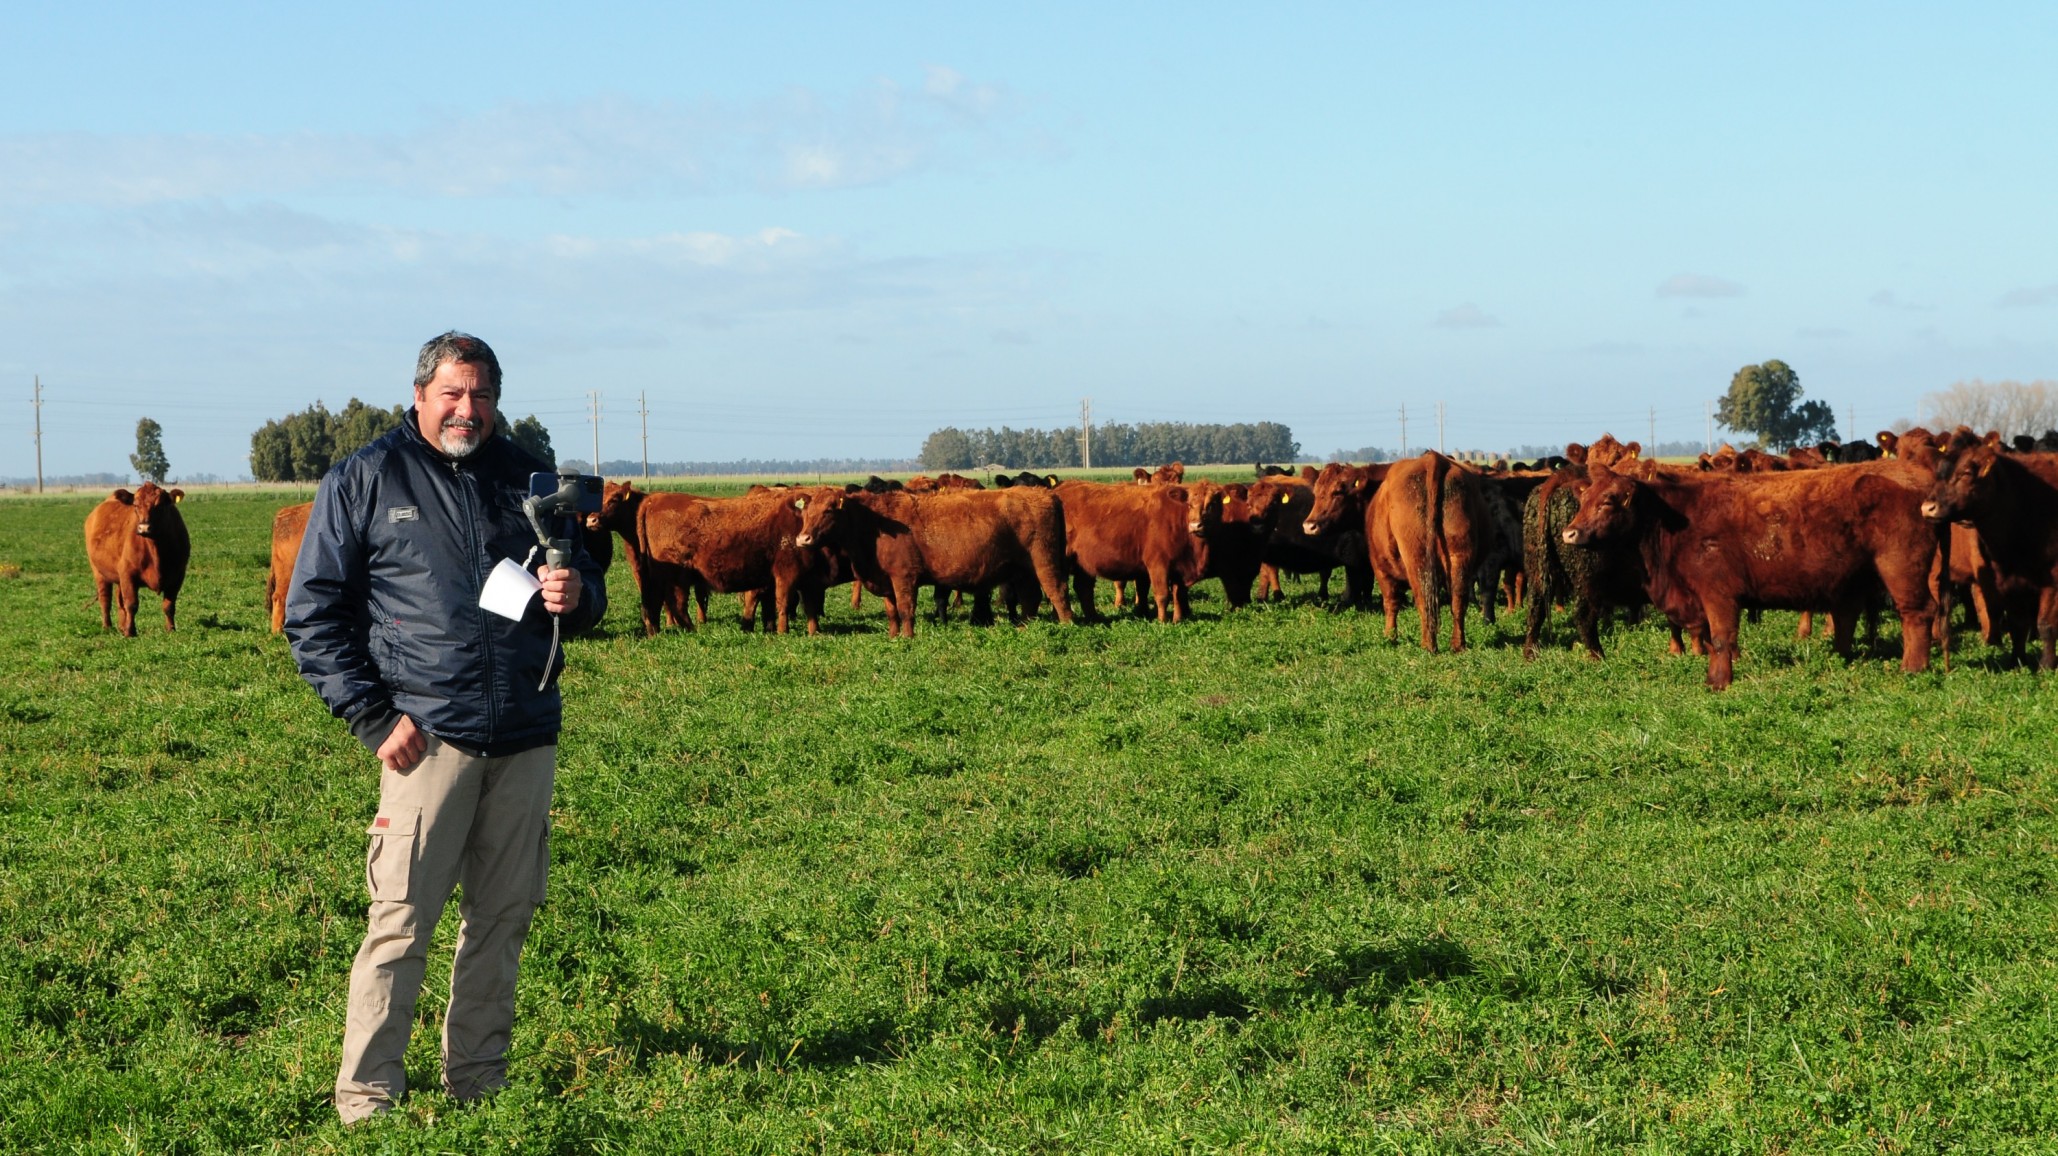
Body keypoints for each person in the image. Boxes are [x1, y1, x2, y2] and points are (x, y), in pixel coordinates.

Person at [285, 331, 606, 1123]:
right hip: (425, 737)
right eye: (453, 394)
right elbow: (312, 614)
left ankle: (478, 1082)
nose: (468, 410)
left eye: (482, 396)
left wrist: (577, 597)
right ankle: (368, 1096)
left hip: (525, 732)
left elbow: (585, 584)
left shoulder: (528, 476)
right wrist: (371, 714)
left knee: (502, 920)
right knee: (400, 923)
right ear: (421, 394)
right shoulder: (367, 476)